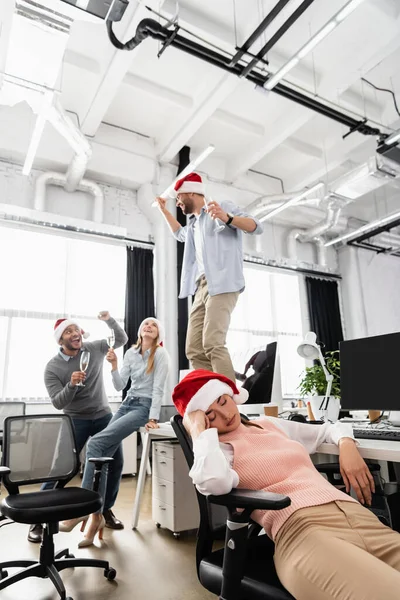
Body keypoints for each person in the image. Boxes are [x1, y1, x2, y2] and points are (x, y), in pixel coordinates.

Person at [173, 369, 400, 600]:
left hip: (360, 518)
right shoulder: (218, 450)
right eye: (211, 415)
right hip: (303, 531)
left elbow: (328, 428)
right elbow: (214, 483)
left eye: (223, 401)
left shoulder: (268, 424)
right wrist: (199, 432)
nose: (224, 414)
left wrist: (346, 445)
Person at [61, 317, 169, 547]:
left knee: (96, 444)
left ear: (159, 332)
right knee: (103, 454)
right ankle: (96, 518)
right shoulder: (131, 353)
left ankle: (83, 509)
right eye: (145, 324)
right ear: (140, 331)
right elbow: (121, 386)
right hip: (127, 403)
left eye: (153, 324)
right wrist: (113, 367)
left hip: (144, 407)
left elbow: (158, 389)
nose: (148, 326)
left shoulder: (160, 354)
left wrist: (152, 417)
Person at [28, 311, 128, 544]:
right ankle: (38, 520)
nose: (74, 334)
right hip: (75, 419)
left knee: (116, 464)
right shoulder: (52, 368)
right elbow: (57, 402)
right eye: (68, 332)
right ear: (60, 340)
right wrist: (71, 385)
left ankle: (103, 510)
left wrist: (109, 321)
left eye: (76, 329)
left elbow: (121, 339)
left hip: (103, 415)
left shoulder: (93, 348)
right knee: (61, 468)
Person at [155, 172, 263, 383]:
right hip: (201, 287)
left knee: (213, 342)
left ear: (192, 192)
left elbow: (256, 226)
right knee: (194, 348)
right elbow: (179, 234)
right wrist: (163, 210)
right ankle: (211, 396)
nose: (176, 203)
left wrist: (227, 218)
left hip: (223, 283)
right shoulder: (195, 225)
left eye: (178, 198)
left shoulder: (220, 206)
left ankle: (228, 399)